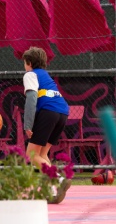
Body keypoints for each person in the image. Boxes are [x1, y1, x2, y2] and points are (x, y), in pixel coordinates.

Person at [22, 46, 71, 204]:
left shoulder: (30, 74)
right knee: (42, 155)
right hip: (62, 112)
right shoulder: (45, 75)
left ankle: (59, 178)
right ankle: (51, 191)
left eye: (24, 62)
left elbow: (31, 99)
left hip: (49, 112)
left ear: (29, 62)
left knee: (31, 154)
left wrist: (28, 124)